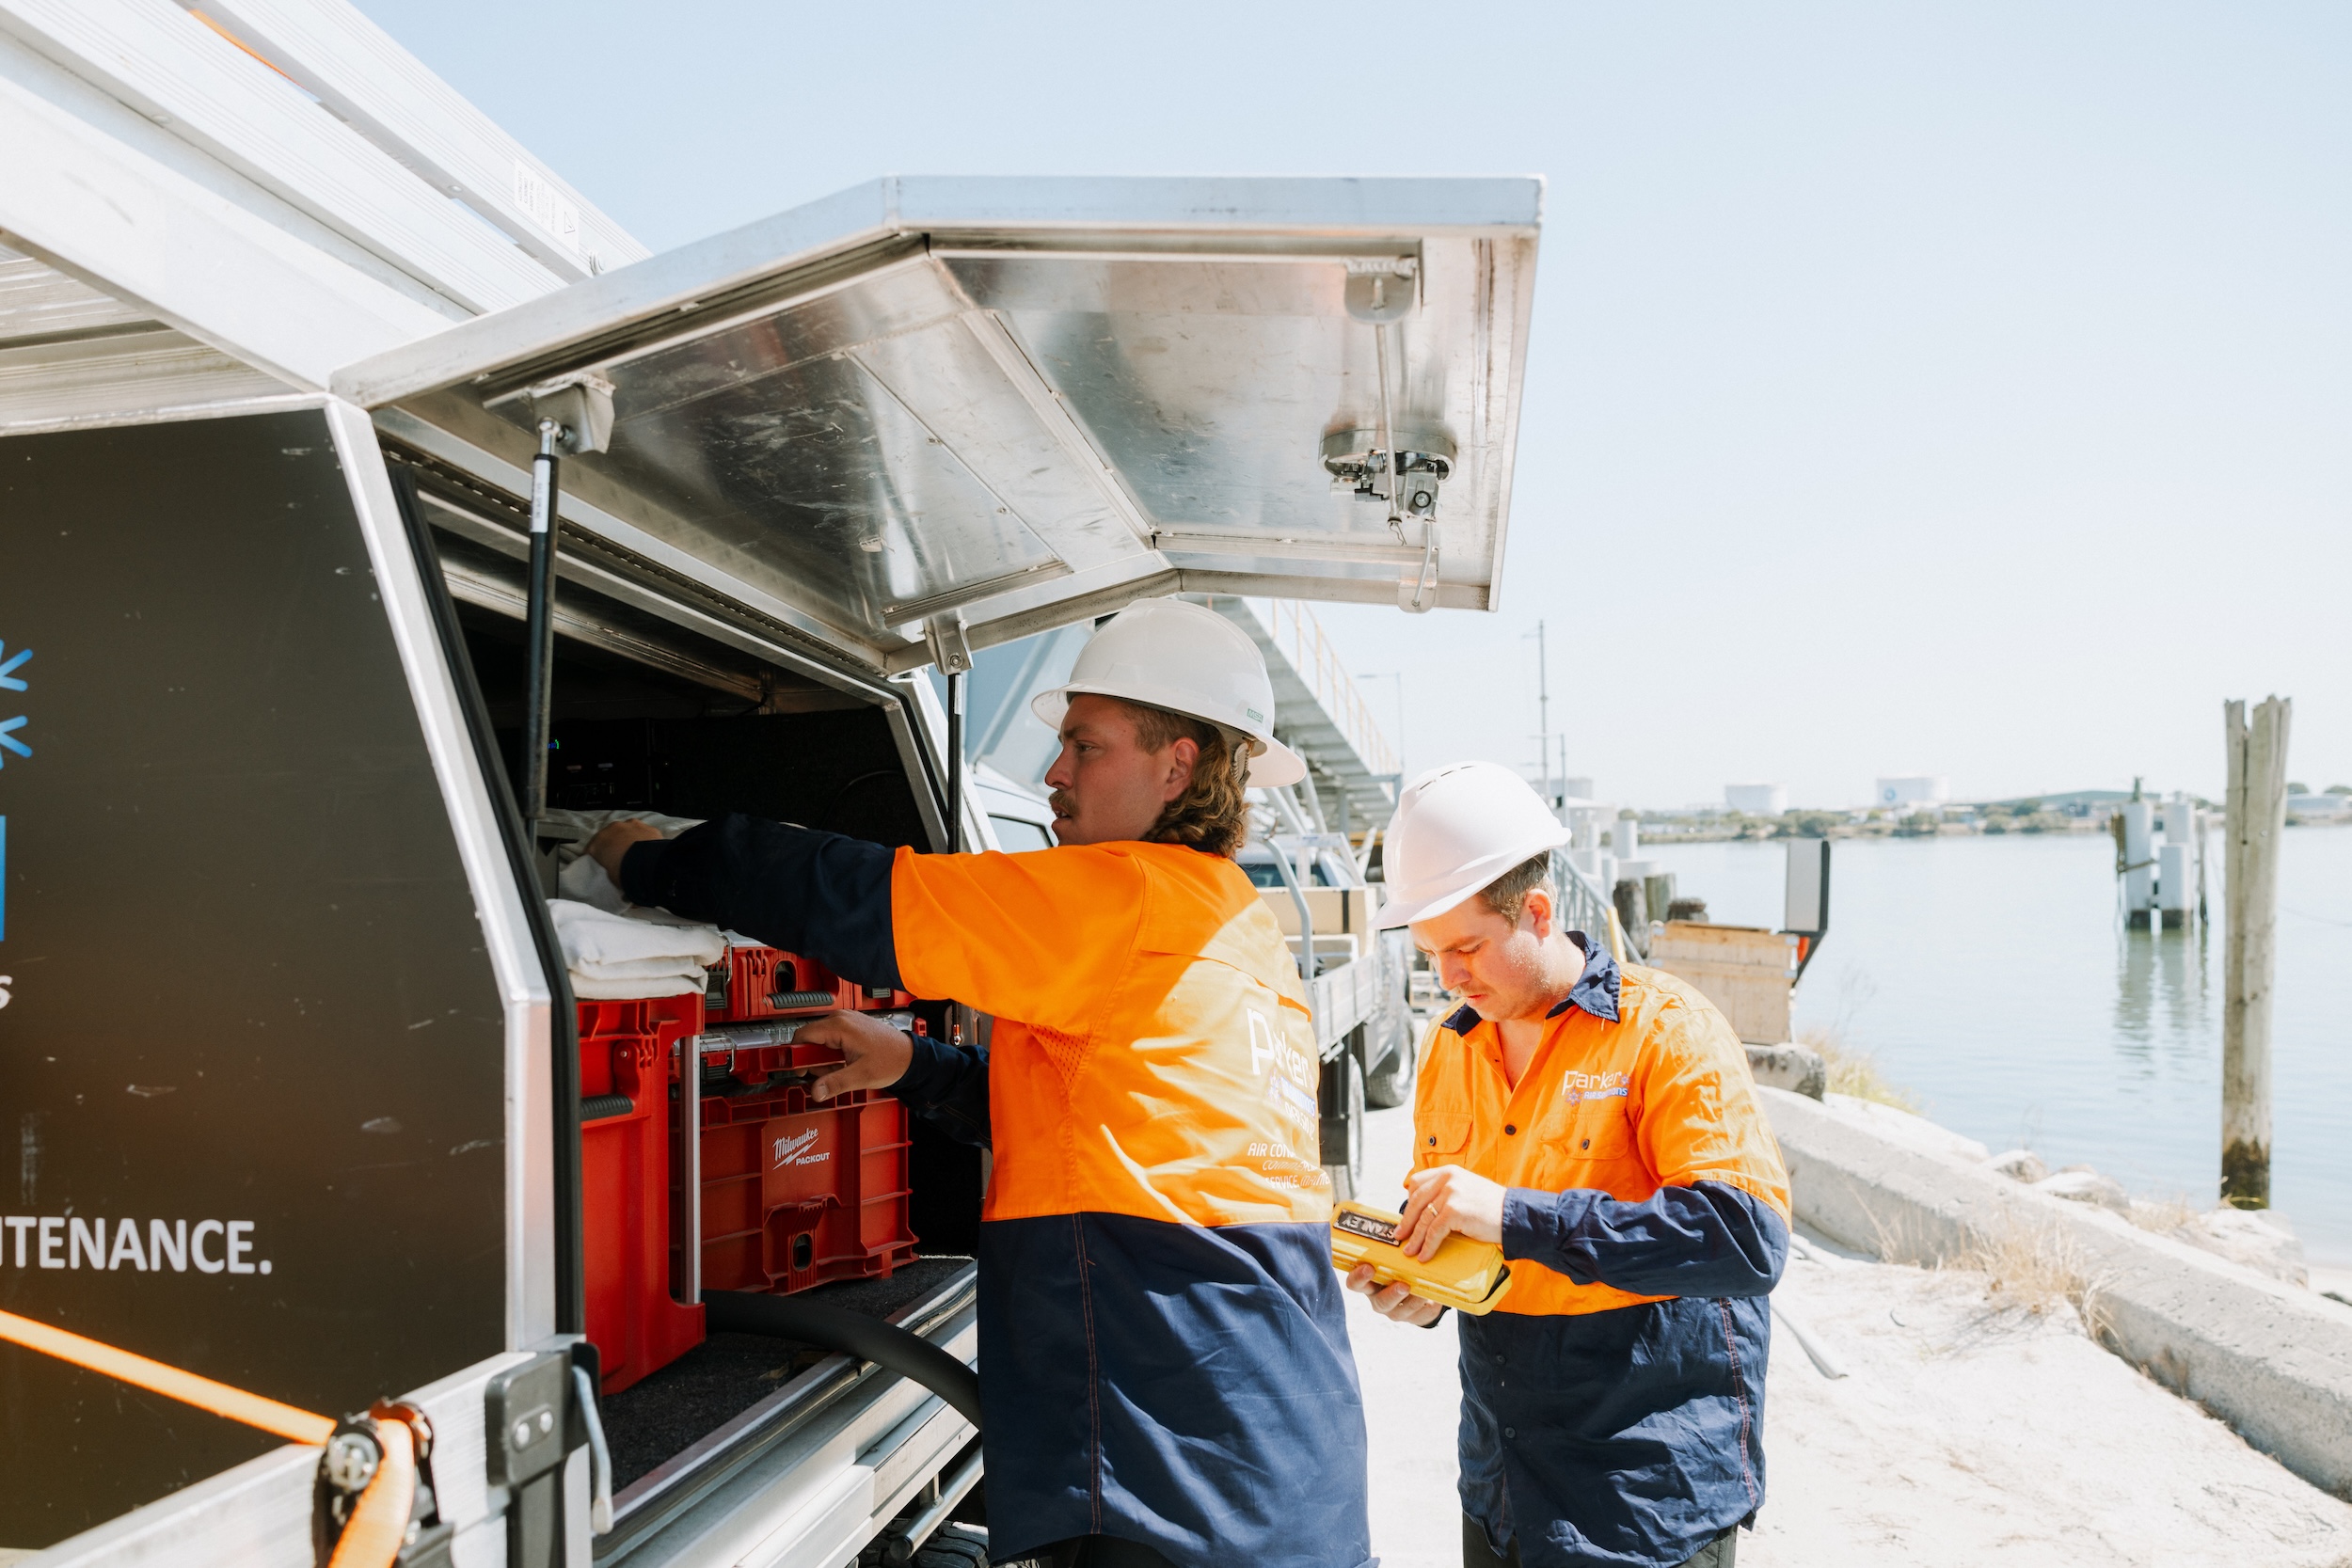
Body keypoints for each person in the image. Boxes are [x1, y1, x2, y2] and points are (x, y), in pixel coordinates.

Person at [588, 597, 1370, 1568]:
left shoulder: (1118, 894)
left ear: (1179, 763)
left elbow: (854, 895)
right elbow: (1117, 1119)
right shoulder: (1235, 921)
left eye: (1085, 745)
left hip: (1174, 1471)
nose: (1052, 770)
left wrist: (649, 860)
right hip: (1286, 1455)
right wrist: (914, 1063)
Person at [1346, 762, 1789, 1568]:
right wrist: (1424, 1290)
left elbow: (1746, 1239)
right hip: (1501, 1489)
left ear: (1539, 912)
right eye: (1430, 952)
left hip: (1644, 1500)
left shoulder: (1667, 1030)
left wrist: (1515, 1215)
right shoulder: (1448, 1050)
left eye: (1467, 947)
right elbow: (1467, 1246)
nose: (1445, 976)